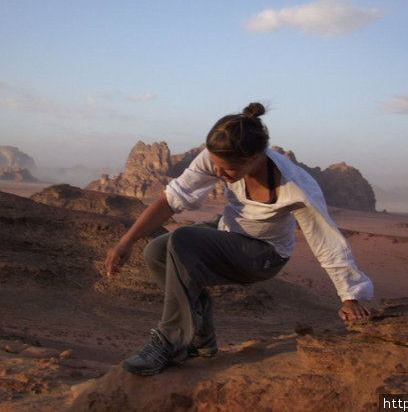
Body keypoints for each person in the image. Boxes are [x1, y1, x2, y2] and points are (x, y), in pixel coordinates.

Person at [105, 102, 373, 376]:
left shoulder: (296, 187)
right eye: (216, 167)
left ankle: (170, 342)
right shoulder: (217, 158)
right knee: (156, 251)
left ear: (255, 156)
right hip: (228, 231)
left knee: (183, 239)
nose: (219, 175)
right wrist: (124, 243)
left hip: (264, 254)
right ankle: (201, 341)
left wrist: (350, 296)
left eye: (227, 171)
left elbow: (326, 240)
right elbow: (170, 200)